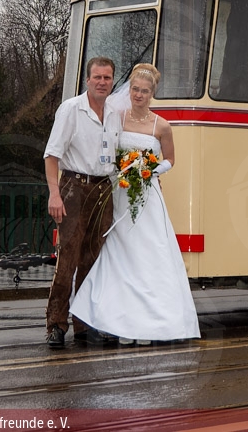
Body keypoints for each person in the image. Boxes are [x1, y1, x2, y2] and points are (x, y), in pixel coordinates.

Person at [70, 63, 201, 345]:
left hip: (147, 194)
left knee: (148, 252)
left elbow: (170, 159)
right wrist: (121, 170)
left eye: (144, 91)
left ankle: (153, 322)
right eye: (134, 90)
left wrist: (148, 170)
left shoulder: (162, 125)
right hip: (120, 192)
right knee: (120, 255)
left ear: (153, 93)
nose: (138, 95)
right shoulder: (117, 117)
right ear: (129, 90)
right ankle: (119, 321)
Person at [43, 56, 119, 348]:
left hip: (103, 191)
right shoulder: (72, 109)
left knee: (92, 261)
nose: (102, 82)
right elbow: (52, 156)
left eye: (107, 78)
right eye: (97, 77)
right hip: (74, 187)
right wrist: (54, 194)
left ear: (113, 81)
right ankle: (56, 324)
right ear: (87, 80)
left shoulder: (113, 112)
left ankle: (85, 324)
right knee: (68, 258)